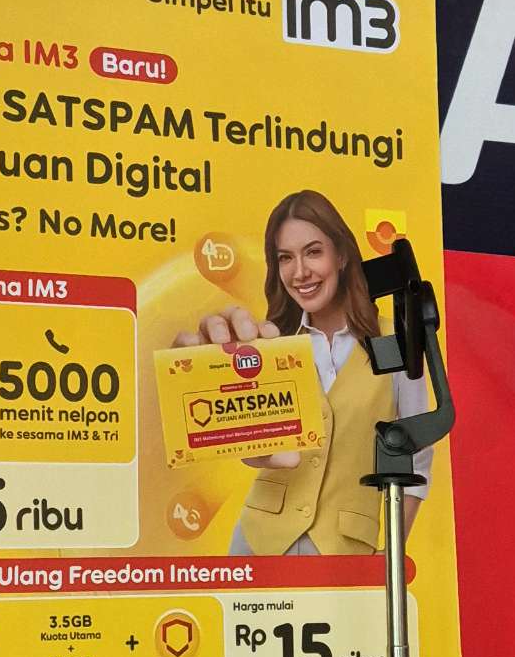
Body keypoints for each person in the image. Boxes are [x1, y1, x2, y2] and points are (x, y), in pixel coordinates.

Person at [175, 189, 431, 557]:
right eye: (285, 258)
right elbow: (252, 444)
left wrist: (390, 552)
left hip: (344, 547)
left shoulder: (395, 341)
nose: (299, 272)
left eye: (313, 252)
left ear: (341, 255)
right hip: (258, 540)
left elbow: (417, 455)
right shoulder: (271, 343)